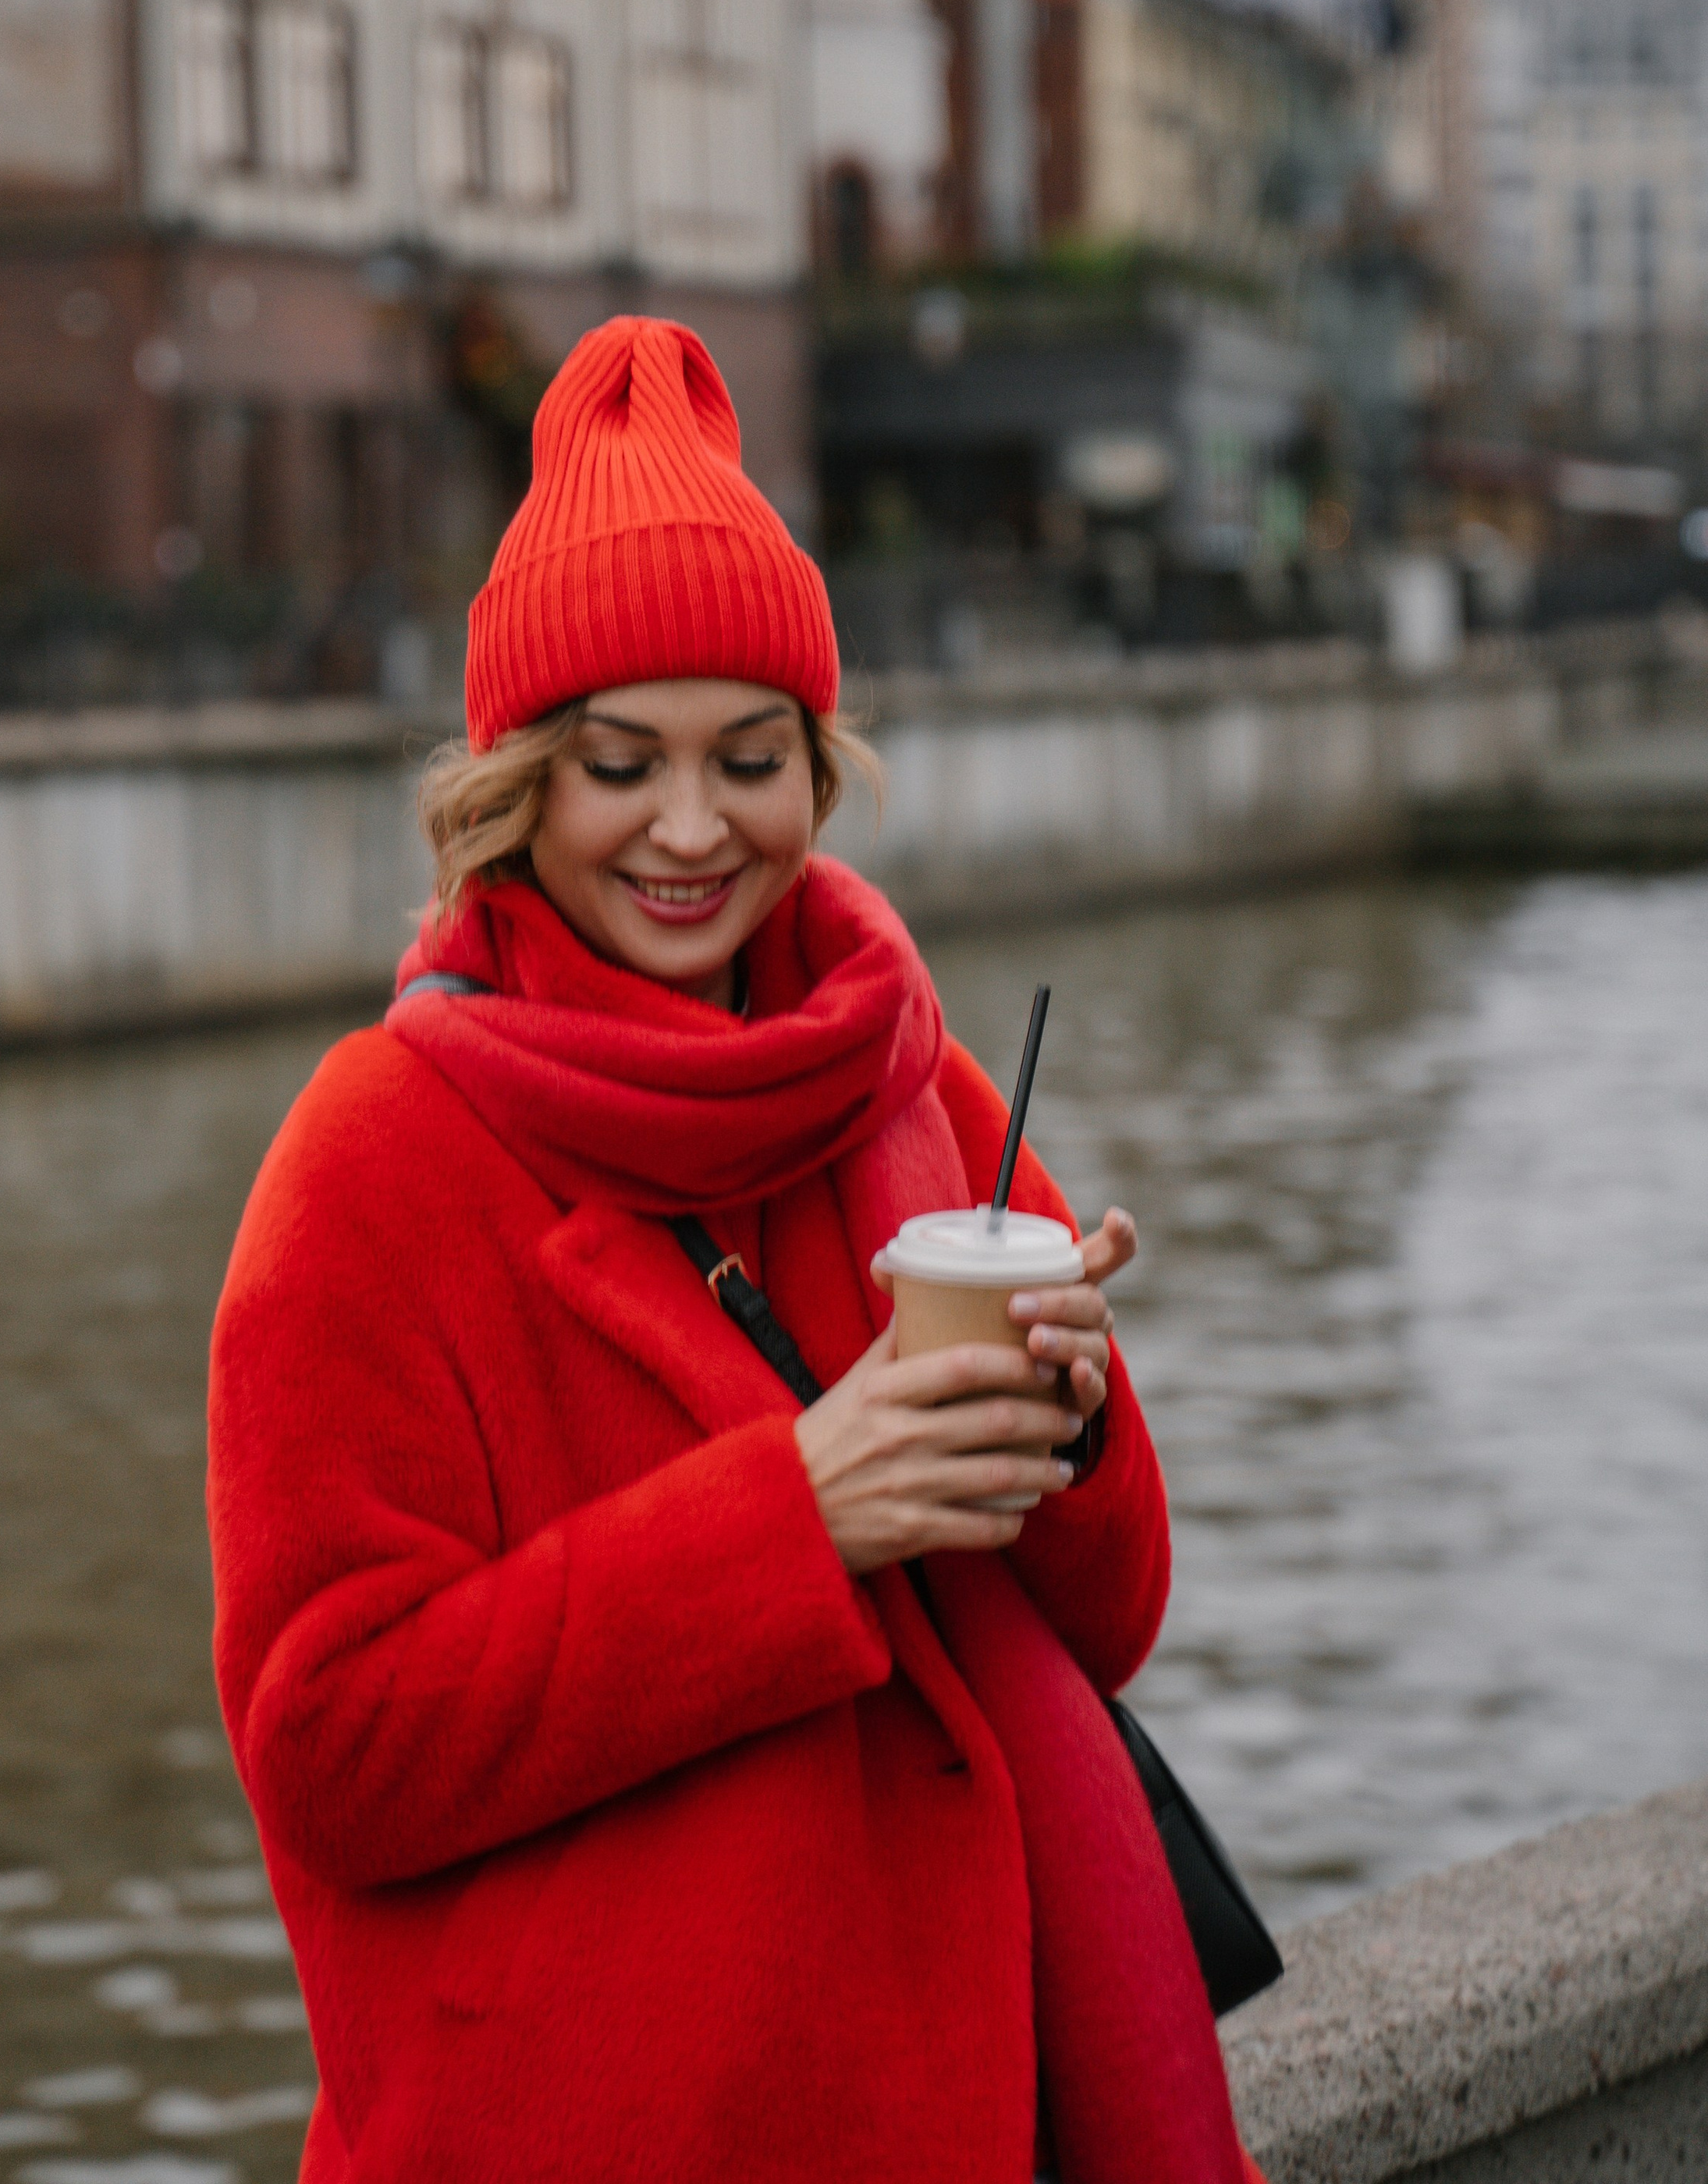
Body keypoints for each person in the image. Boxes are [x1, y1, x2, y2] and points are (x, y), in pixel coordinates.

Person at [209, 318, 1266, 2184]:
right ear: (515, 787)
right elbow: (333, 1747)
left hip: (976, 2095)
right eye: (619, 763)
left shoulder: (903, 1076)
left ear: (815, 767)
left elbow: (1105, 1626)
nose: (692, 830)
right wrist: (795, 1514)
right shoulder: (371, 1158)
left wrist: (1075, 1429)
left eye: (750, 757)